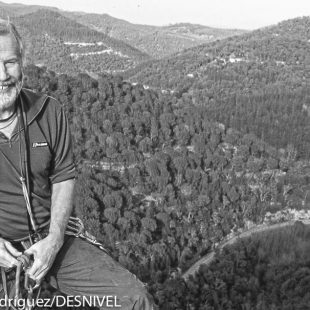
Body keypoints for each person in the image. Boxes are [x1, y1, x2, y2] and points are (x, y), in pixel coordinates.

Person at [0, 19, 156, 309]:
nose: (2, 75)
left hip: (53, 238)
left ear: (22, 63)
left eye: (9, 62)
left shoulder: (48, 111)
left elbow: (63, 177)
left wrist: (55, 239)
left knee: (134, 299)